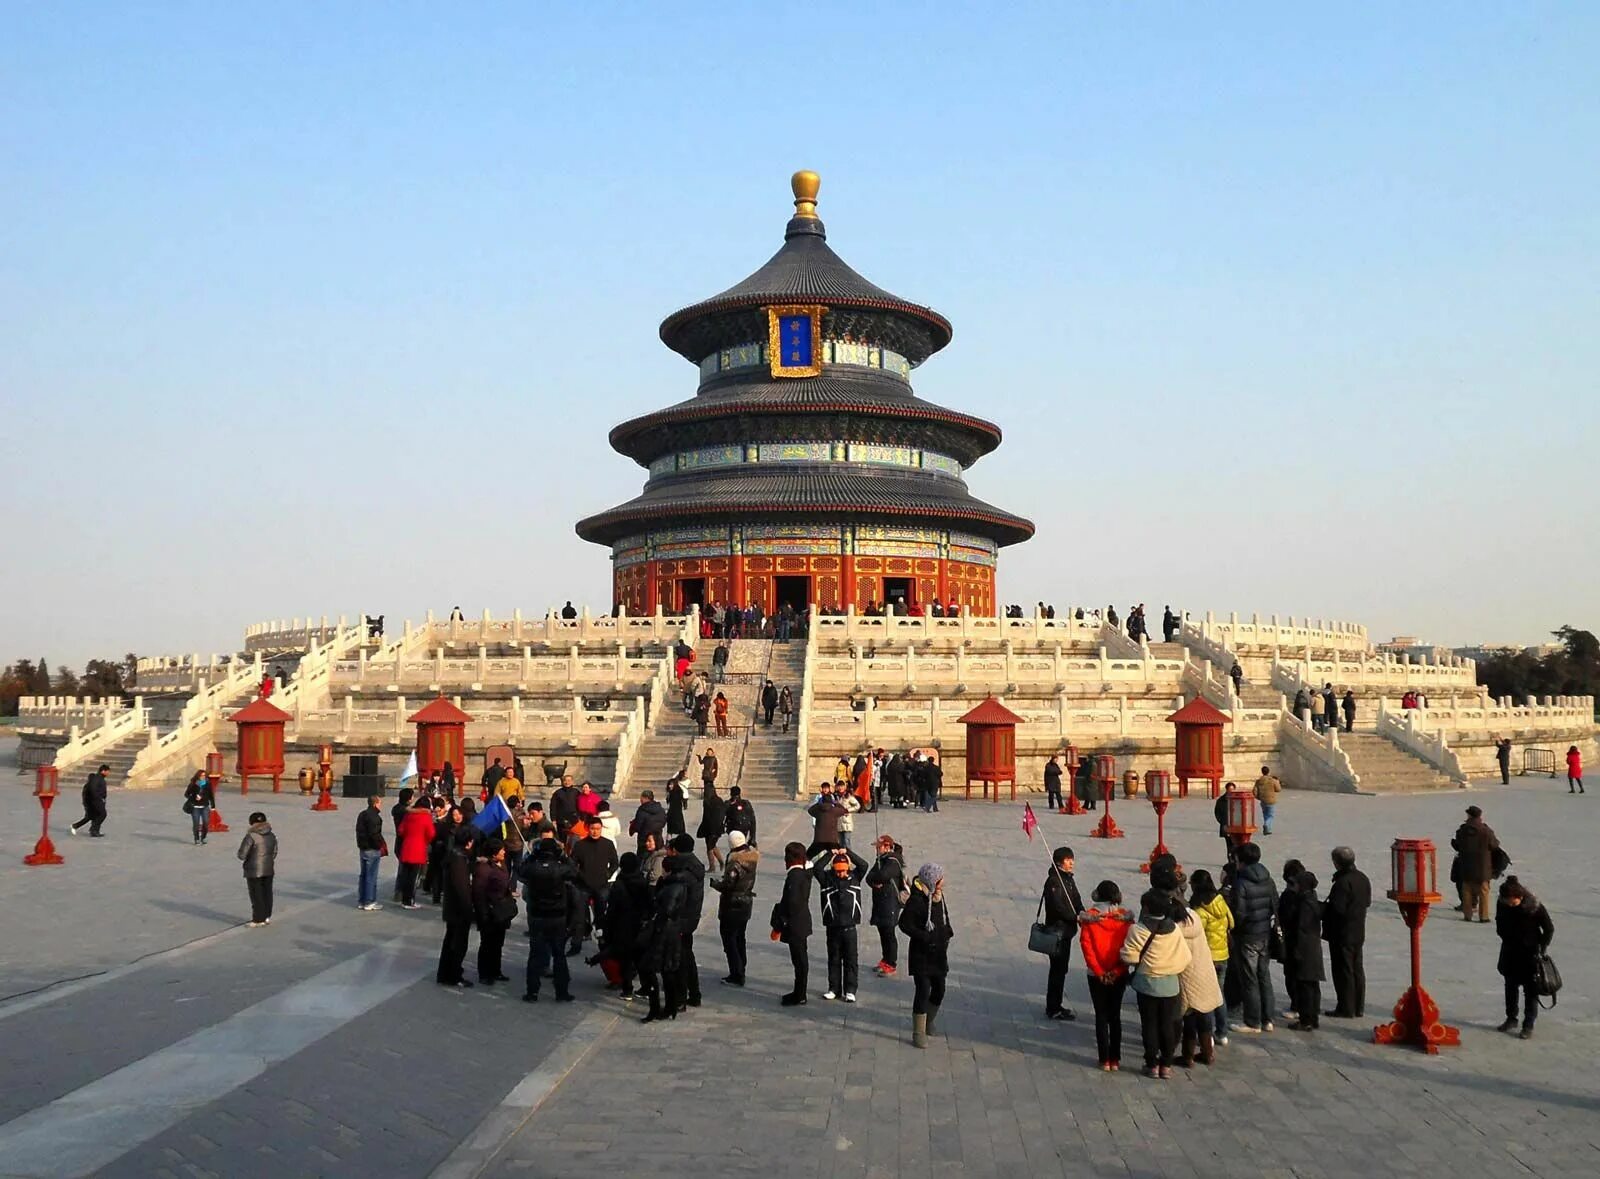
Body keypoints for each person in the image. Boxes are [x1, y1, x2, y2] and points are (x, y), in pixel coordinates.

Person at [1121, 891, 1192, 1079]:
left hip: (1146, 984)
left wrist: (1143, 963)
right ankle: (1166, 1065)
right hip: (1170, 984)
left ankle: (1151, 1064)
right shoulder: (1174, 929)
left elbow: (1127, 956)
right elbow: (1186, 957)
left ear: (1146, 908)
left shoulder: (1137, 930)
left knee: (1149, 1024)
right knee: (1168, 1024)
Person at [520, 823, 578, 1002]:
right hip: (557, 916)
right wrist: (564, 857)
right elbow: (574, 872)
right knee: (559, 954)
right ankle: (561, 991)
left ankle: (532, 992)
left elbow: (521, 871)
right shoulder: (560, 869)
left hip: (537, 915)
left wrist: (532, 857)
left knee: (535, 954)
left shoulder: (532, 867)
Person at [1079, 881, 1134, 1070]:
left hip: (1096, 974)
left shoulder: (1090, 918)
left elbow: (1087, 947)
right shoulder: (1124, 919)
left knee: (1101, 1016)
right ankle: (1115, 1059)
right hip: (1118, 973)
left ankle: (1104, 1059)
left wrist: (1099, 972)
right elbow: (1129, 949)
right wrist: (1117, 971)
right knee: (1115, 1016)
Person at [899, 863, 953, 1048]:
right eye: (940, 880)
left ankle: (929, 1020)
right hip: (921, 955)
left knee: (940, 989)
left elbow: (943, 915)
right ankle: (918, 1031)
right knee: (923, 991)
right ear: (932, 881)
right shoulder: (916, 901)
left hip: (938, 954)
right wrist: (924, 936)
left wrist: (948, 931)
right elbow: (904, 924)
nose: (943, 883)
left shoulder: (938, 897)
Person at [1227, 842, 1278, 1033]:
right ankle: (1268, 1018)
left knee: (1249, 978)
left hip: (1247, 936)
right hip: (1264, 931)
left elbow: (1238, 913)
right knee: (1264, 975)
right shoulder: (1268, 879)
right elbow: (1275, 904)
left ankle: (1252, 1020)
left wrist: (1234, 929)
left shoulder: (1242, 883)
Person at [1495, 876, 1555, 1039]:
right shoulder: (1502, 904)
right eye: (1506, 901)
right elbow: (1499, 923)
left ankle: (1528, 1024)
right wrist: (1504, 935)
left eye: (1512, 901)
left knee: (1530, 991)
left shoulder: (1534, 907)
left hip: (1530, 955)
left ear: (1520, 897)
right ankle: (1511, 1018)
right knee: (1510, 987)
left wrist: (1541, 947)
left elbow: (1549, 928)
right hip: (1510, 952)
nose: (1509, 904)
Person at [815, 846, 869, 1001]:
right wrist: (828, 854)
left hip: (850, 927)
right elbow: (817, 868)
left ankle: (850, 989)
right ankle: (834, 988)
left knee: (851, 960)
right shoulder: (827, 879)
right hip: (832, 927)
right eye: (838, 870)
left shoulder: (855, 877)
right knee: (834, 959)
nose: (841, 873)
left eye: (843, 870)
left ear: (848, 867)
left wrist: (848, 852)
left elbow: (864, 865)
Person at [1322, 846, 1371, 1018]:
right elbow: (1367, 902)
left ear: (1337, 863)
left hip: (1342, 933)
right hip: (1358, 929)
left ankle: (1346, 1007)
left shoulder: (1343, 883)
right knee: (1357, 968)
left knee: (1344, 970)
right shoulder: (1362, 878)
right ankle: (1358, 1006)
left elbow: (1337, 909)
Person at [1177, 890, 1224, 1066]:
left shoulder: (1176, 930)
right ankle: (1208, 1053)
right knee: (1205, 1017)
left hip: (1188, 977)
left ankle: (1188, 1056)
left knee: (1189, 1019)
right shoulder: (1196, 919)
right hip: (1205, 973)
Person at [1188, 869, 1233, 1045]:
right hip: (1223, 954)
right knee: (1219, 995)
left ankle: (1207, 1034)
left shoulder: (1200, 909)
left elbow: (1196, 932)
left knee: (1205, 997)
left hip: (1207, 957)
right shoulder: (1221, 900)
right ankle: (1222, 1032)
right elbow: (1232, 922)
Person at [1040, 846, 1084, 1021]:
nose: (1071, 863)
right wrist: (1075, 918)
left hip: (1067, 932)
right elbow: (1058, 908)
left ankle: (1056, 1004)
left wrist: (1082, 912)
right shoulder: (1054, 882)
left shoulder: (1068, 879)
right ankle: (1053, 1007)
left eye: (1072, 859)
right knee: (1057, 970)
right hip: (1058, 931)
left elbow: (1077, 899)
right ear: (1059, 862)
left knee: (1061, 969)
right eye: (1068, 860)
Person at [710, 830, 759, 986]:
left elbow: (728, 884)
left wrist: (715, 884)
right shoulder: (751, 857)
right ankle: (741, 967)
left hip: (732, 904)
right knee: (740, 937)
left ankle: (736, 973)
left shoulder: (735, 862)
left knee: (729, 939)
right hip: (746, 902)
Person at [601, 852, 650, 1001]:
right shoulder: (642, 882)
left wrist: (606, 929)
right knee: (641, 959)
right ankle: (646, 988)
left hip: (622, 926)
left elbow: (612, 909)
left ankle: (627, 989)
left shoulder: (619, 884)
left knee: (625, 960)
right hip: (640, 925)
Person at [774, 841, 814, 1007]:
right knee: (800, 960)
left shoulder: (794, 876)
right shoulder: (805, 873)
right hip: (802, 922)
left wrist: (779, 924)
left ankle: (800, 994)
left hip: (795, 924)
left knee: (799, 961)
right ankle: (799, 992)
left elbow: (791, 903)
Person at [436, 825, 476, 988]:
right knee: (457, 944)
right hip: (458, 910)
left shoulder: (454, 855)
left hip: (451, 907)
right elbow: (462, 888)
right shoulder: (459, 860)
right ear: (468, 843)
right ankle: (453, 975)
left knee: (450, 941)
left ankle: (445, 973)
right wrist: (469, 910)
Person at [670, 833, 707, 1009]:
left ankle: (680, 997)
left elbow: (675, 897)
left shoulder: (682, 870)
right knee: (687, 955)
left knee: (680, 959)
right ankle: (694, 993)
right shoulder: (695, 865)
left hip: (680, 919)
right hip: (691, 918)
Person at [571, 819, 619, 955]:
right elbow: (572, 863)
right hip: (583, 886)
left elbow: (615, 863)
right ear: (588, 828)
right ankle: (576, 945)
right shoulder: (580, 845)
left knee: (601, 918)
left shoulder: (607, 844)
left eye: (598, 828)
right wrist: (579, 875)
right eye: (592, 828)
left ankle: (603, 946)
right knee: (579, 917)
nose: (595, 831)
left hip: (601, 886)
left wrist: (608, 874)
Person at [472, 839, 516, 987]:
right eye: (501, 850)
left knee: (498, 943)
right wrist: (483, 914)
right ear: (493, 852)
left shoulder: (501, 864)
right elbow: (478, 893)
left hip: (501, 910)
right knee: (487, 944)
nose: (504, 852)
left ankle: (496, 970)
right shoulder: (483, 868)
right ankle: (484, 973)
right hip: (489, 912)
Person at [1287, 872, 1325, 1031]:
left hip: (1305, 948)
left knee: (1305, 986)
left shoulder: (1305, 904)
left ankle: (1306, 1019)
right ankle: (1312, 1017)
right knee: (1312, 985)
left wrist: (1297, 950)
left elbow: (1302, 929)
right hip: (1312, 947)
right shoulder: (1311, 900)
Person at [1451, 805, 1501, 922]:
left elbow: (1457, 845)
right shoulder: (1486, 830)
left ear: (1469, 815)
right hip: (1483, 867)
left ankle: (1467, 915)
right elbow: (1494, 845)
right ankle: (1483, 916)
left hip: (1466, 865)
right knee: (1483, 892)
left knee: (1466, 890)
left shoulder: (1462, 830)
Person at [866, 835, 906, 976]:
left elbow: (883, 876)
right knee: (882, 931)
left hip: (890, 902)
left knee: (889, 933)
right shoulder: (881, 860)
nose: (877, 850)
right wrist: (874, 880)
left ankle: (891, 963)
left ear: (887, 846)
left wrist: (875, 878)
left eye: (879, 847)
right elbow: (869, 877)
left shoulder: (893, 861)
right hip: (880, 901)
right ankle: (885, 959)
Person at [236, 811, 278, 927]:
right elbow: (274, 852)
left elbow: (242, 855)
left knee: (256, 894)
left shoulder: (251, 836)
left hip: (254, 869)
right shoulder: (271, 835)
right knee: (267, 892)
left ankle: (258, 918)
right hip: (268, 868)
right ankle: (266, 916)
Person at [396, 796, 437, 910]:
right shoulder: (426, 816)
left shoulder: (408, 815)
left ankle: (404, 899)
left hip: (407, 846)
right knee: (414, 877)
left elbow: (401, 830)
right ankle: (410, 900)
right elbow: (431, 833)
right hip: (418, 848)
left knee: (406, 874)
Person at [1277, 858, 1305, 1019]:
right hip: (1307, 942)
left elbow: (1284, 916)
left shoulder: (1289, 896)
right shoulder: (1309, 893)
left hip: (1292, 940)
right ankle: (1304, 1005)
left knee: (1292, 974)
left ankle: (1296, 1005)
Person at [355, 795, 386, 911]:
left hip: (363, 848)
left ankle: (362, 900)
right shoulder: (375, 818)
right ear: (375, 803)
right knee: (371, 876)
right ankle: (369, 900)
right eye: (380, 803)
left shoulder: (362, 814)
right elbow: (375, 834)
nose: (380, 805)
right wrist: (379, 845)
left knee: (363, 875)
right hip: (372, 849)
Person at [806, 783, 848, 854]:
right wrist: (836, 803)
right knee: (836, 853)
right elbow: (844, 810)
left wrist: (819, 804)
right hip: (832, 839)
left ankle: (805, 862)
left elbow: (810, 810)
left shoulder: (818, 810)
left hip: (819, 839)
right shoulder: (835, 811)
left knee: (809, 855)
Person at [70, 764, 110, 836]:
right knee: (102, 814)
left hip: (95, 800)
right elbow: (93, 790)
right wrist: (99, 799)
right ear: (103, 771)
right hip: (94, 801)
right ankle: (93, 830)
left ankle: (76, 826)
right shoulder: (97, 779)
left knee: (91, 816)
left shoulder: (100, 778)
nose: (108, 773)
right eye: (107, 771)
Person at [697, 784, 727, 870]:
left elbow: (718, 816)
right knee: (711, 845)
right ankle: (721, 862)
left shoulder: (715, 801)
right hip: (709, 827)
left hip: (714, 827)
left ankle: (712, 866)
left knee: (710, 847)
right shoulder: (711, 801)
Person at [630, 789, 668, 855]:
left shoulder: (642, 810)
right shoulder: (660, 809)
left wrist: (633, 825)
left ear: (646, 798)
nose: (640, 800)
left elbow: (637, 826)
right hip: (658, 838)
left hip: (644, 840)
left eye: (641, 798)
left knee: (643, 859)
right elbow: (663, 822)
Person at [183, 770, 215, 845]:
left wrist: (213, 805)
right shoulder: (193, 784)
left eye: (204, 776)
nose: (203, 777)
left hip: (205, 806)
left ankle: (203, 837)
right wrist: (194, 797)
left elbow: (211, 795)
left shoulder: (207, 784)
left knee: (206, 823)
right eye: (201, 776)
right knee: (196, 824)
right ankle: (196, 838)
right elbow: (186, 794)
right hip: (195, 807)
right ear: (198, 776)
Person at [1253, 765, 1281, 836]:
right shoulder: (1272, 780)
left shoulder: (1259, 781)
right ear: (1268, 772)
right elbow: (1278, 789)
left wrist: (1259, 797)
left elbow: (1254, 792)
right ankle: (1267, 825)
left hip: (1263, 800)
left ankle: (1268, 829)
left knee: (1265, 814)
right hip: (1271, 800)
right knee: (1270, 815)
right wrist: (1277, 782)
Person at [666, 773, 689, 838]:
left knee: (672, 830)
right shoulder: (674, 792)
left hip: (675, 814)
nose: (670, 786)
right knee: (672, 830)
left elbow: (674, 804)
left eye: (671, 785)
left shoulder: (675, 793)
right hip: (675, 814)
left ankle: (674, 843)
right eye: (669, 785)